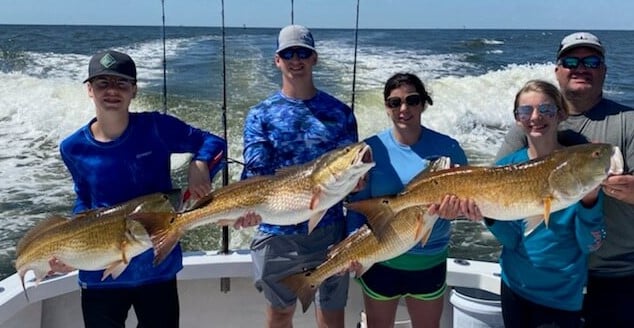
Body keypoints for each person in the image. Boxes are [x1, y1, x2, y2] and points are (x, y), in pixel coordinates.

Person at [51, 50, 231, 328]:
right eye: (103, 84)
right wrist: (72, 254)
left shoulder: (156, 127)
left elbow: (214, 143)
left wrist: (201, 163)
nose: (112, 91)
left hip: (157, 268)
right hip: (100, 274)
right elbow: (84, 203)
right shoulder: (72, 147)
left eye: (122, 84)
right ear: (89, 89)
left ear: (133, 91)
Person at [496, 32, 634, 328]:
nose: (580, 67)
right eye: (571, 60)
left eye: (592, 61)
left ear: (604, 70)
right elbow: (497, 188)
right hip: (544, 275)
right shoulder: (530, 125)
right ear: (557, 70)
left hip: (616, 274)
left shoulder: (629, 121)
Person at [241, 25, 358, 328]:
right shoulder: (259, 115)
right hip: (276, 233)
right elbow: (255, 171)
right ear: (276, 60)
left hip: (330, 231)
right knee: (279, 315)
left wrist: (360, 183)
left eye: (303, 53)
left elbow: (351, 174)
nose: (296, 59)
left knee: (331, 318)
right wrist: (244, 209)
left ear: (314, 58)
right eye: (288, 53)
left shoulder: (340, 113)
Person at [345, 72, 477, 328]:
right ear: (386, 108)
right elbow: (357, 207)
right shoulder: (369, 150)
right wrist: (351, 246)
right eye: (395, 102)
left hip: (429, 261)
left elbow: (466, 201)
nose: (403, 108)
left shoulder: (448, 148)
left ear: (423, 104)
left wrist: (455, 211)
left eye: (412, 100)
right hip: (380, 260)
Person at [488, 80, 605, 328]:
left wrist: (590, 201)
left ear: (561, 113)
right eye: (525, 111)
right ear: (517, 119)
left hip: (561, 300)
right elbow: (512, 241)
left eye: (546, 109)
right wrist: (488, 215)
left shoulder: (578, 171)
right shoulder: (504, 167)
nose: (535, 117)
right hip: (513, 288)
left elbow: (590, 243)